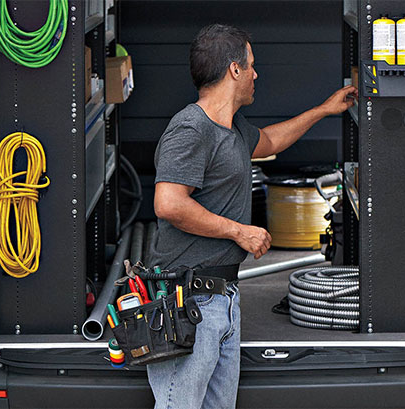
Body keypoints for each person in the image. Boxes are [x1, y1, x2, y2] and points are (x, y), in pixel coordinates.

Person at [148, 23, 358, 409]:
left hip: (222, 298)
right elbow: (169, 204)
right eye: (252, 65)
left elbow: (272, 140)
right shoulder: (191, 128)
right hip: (189, 301)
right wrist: (239, 232)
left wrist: (324, 110)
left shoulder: (232, 129)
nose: (256, 74)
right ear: (234, 70)